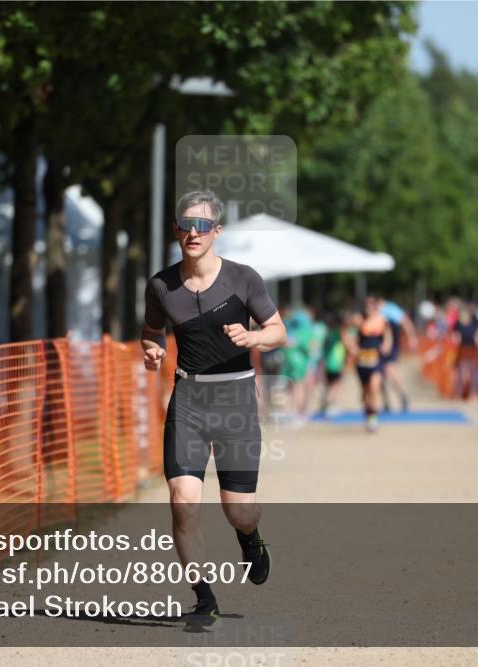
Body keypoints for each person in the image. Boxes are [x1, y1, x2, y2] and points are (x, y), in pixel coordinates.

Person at [141, 190, 286, 631]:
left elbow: (278, 331)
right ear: (176, 231)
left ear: (216, 232)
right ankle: (204, 598)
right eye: (186, 225)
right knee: (183, 503)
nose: (193, 233)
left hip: (236, 401)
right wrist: (152, 352)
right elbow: (151, 332)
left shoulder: (243, 279)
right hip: (189, 399)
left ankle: (250, 538)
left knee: (238, 510)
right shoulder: (161, 285)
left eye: (202, 226)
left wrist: (253, 339)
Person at [355, 296, 392, 432]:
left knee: (374, 387)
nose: (368, 308)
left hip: (376, 360)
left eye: (371, 306)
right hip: (362, 361)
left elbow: (388, 334)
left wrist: (387, 344)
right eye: (366, 306)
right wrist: (353, 348)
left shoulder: (381, 320)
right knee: (365, 393)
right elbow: (347, 333)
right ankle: (368, 413)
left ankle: (373, 417)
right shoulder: (359, 320)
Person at [380, 298, 418, 412]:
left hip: (391, 347)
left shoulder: (391, 309)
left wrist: (412, 337)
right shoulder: (374, 311)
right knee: (379, 375)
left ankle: (402, 395)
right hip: (379, 347)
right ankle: (386, 402)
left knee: (390, 372)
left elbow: (405, 322)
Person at [320, 311, 348, 416]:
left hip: (328, 363)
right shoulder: (338, 334)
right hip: (336, 363)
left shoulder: (328, 333)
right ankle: (330, 405)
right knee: (336, 385)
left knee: (329, 385)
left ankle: (325, 404)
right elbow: (346, 343)